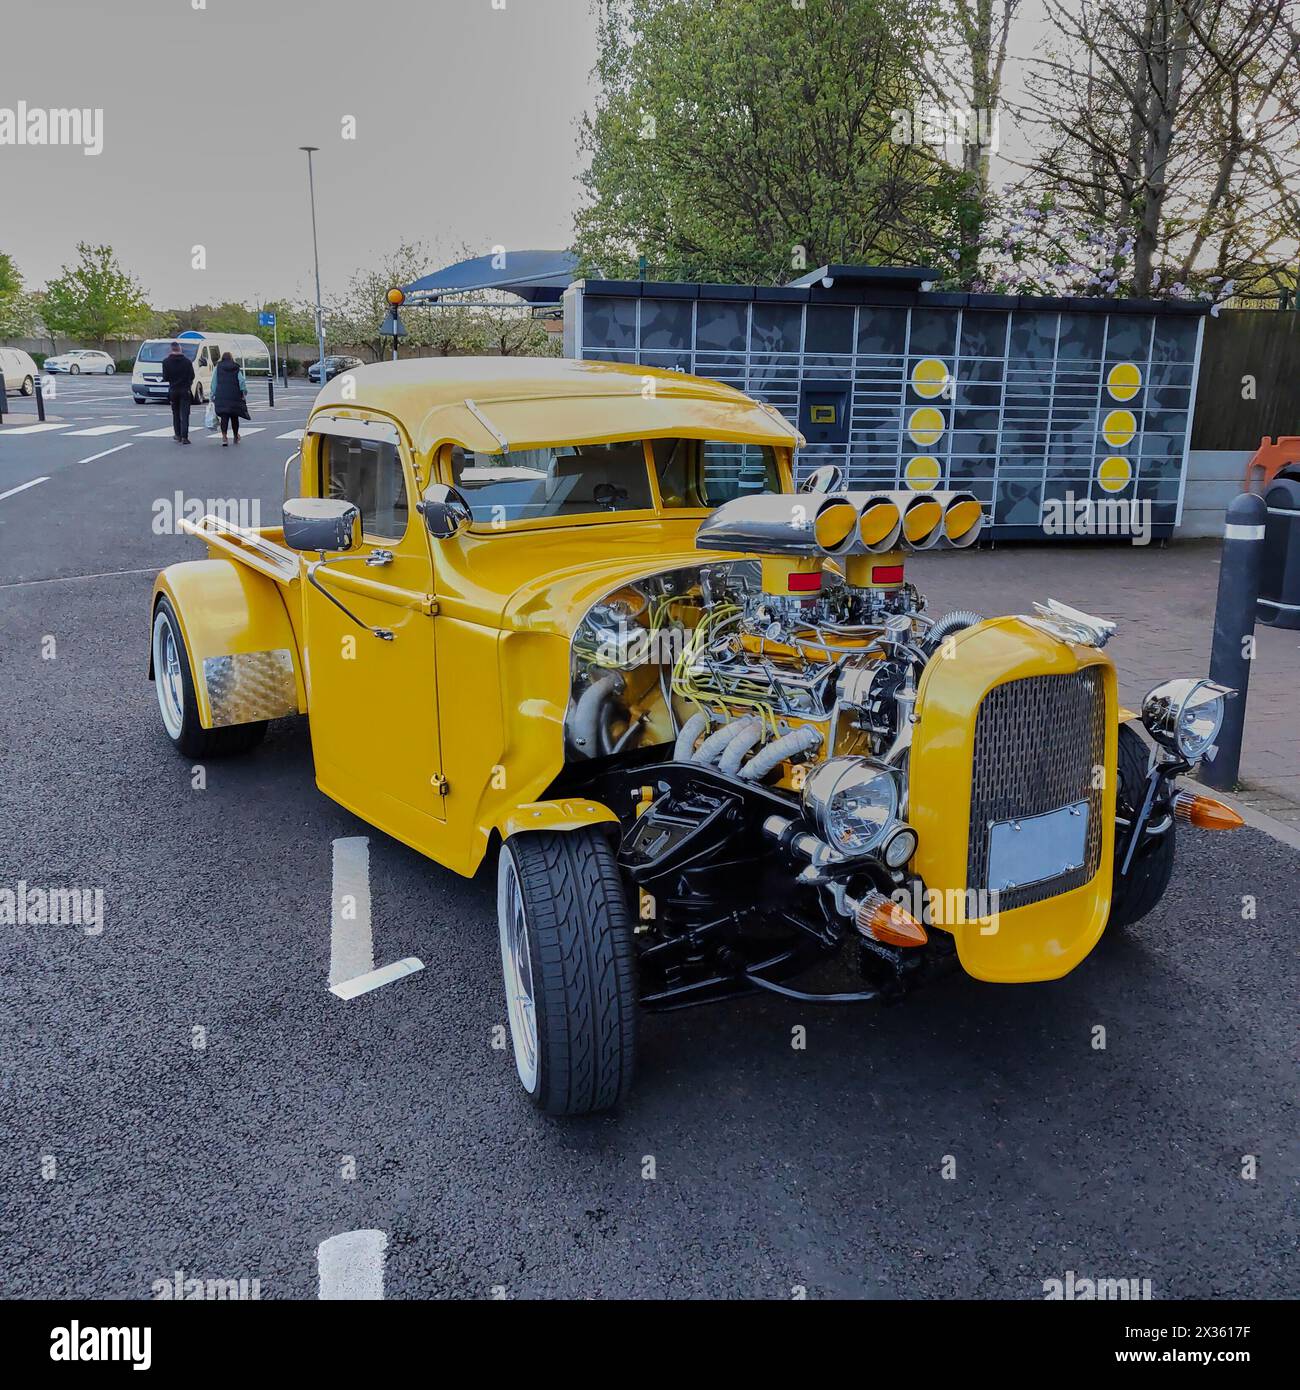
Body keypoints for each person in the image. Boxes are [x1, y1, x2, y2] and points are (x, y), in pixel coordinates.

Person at [210, 351, 250, 446]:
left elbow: (214, 382)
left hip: (221, 395)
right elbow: (241, 381)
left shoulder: (218, 368)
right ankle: (236, 436)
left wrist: (212, 394)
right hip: (234, 394)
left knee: (224, 417)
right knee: (234, 416)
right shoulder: (236, 367)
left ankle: (224, 437)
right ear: (231, 358)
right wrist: (244, 391)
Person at [160, 341, 195, 444]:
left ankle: (178, 435)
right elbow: (192, 376)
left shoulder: (166, 362)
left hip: (173, 390)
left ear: (171, 349)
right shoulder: (187, 362)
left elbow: (165, 377)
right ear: (180, 349)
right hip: (185, 390)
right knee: (185, 414)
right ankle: (185, 436)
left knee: (175, 413)